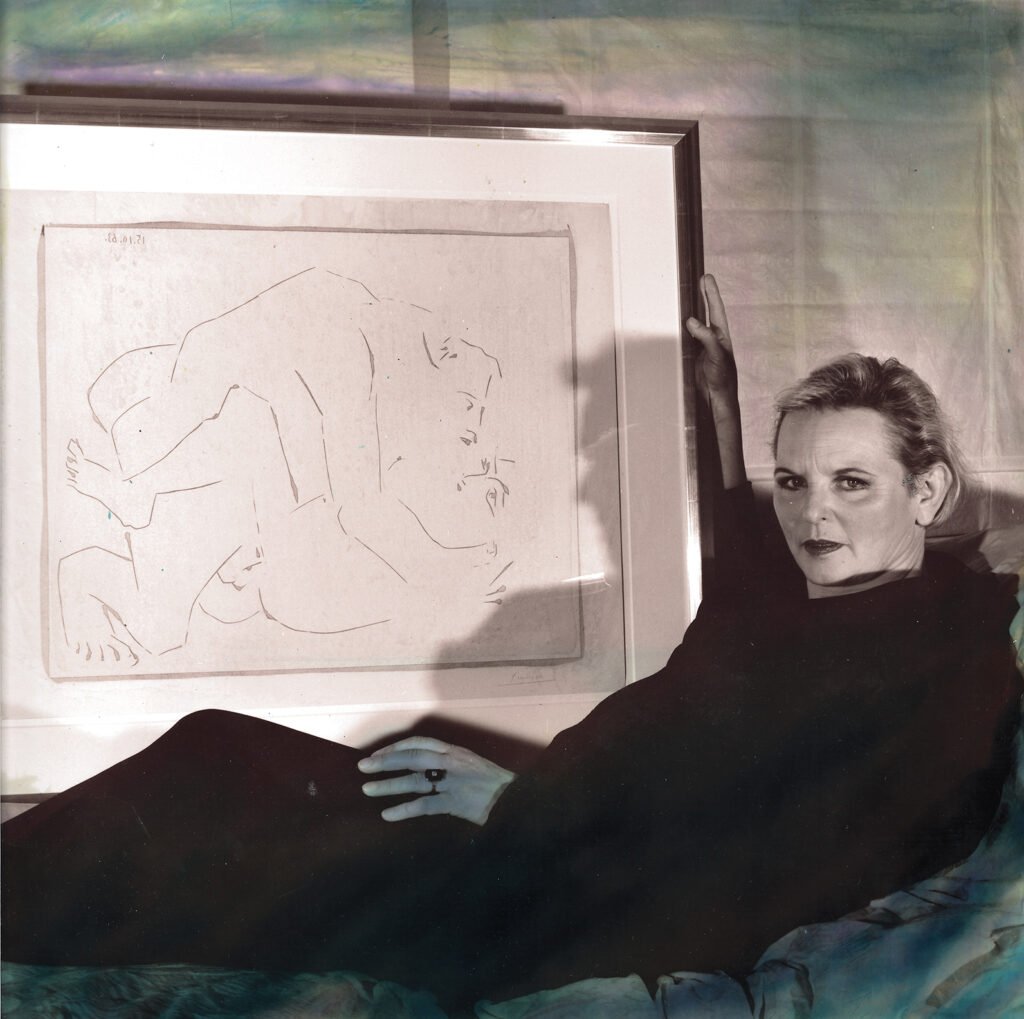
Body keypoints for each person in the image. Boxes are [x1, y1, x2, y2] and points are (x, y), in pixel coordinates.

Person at [3, 277, 1020, 1010]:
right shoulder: (800, 604)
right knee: (219, 746)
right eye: (792, 480)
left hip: (571, 905)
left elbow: (783, 860)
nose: (811, 513)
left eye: (852, 483)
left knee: (211, 829)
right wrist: (721, 399)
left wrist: (523, 805)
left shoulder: (952, 665)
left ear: (927, 490)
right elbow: (740, 548)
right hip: (540, 842)